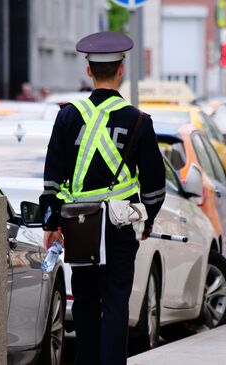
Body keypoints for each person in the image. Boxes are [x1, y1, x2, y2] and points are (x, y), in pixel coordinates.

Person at [39, 32, 166, 365]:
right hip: (120, 226)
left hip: (80, 224)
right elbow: (154, 186)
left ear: (89, 71)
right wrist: (148, 220)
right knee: (115, 303)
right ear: (121, 70)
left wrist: (51, 223)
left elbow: (52, 178)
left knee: (83, 301)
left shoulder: (67, 117)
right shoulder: (139, 120)